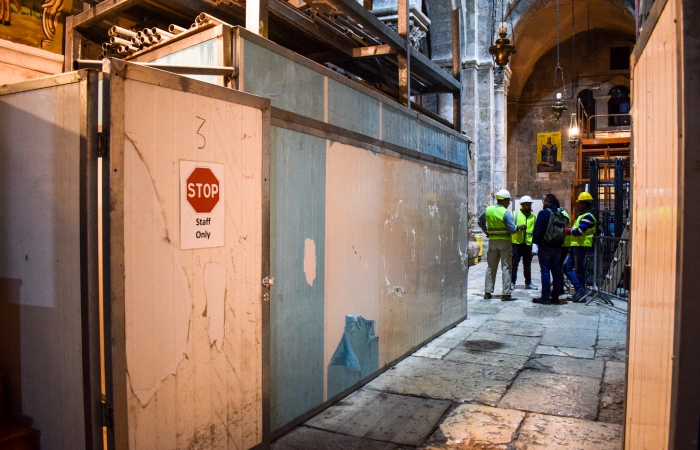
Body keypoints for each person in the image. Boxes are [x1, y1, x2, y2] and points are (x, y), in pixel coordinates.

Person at [478, 189, 519, 301]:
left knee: (491, 267)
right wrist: (518, 228)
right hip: (504, 242)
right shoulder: (506, 213)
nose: (509, 202)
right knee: (506, 267)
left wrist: (486, 231)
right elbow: (511, 230)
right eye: (508, 200)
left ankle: (487, 292)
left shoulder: (488, 210)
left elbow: (479, 221)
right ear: (504, 200)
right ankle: (506, 293)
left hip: (492, 242)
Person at [531, 194, 568, 304]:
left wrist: (535, 244)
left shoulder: (544, 213)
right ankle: (555, 297)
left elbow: (537, 230)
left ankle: (545, 297)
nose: (543, 203)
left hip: (545, 245)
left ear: (547, 202)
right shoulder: (560, 213)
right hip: (557, 246)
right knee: (556, 271)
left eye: (544, 201)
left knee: (545, 270)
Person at [563, 192, 598, 302]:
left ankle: (580, 291)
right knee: (568, 267)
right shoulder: (582, 215)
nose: (577, 205)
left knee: (578, 270)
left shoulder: (588, 216)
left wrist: (568, 231)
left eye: (579, 203)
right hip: (576, 245)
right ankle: (580, 291)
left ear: (584, 204)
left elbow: (579, 231)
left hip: (582, 246)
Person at [511, 195, 537, 290]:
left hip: (528, 244)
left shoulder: (533, 216)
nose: (529, 206)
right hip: (516, 243)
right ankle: (512, 282)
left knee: (527, 265)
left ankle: (528, 283)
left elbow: (535, 230)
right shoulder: (515, 214)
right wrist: (518, 227)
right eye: (527, 204)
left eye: (530, 204)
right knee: (514, 264)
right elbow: (510, 227)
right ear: (522, 205)